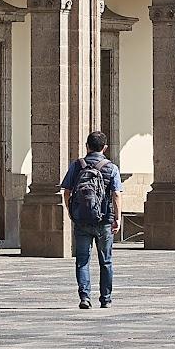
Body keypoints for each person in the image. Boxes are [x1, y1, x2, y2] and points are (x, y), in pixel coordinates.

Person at [59, 130, 121, 309]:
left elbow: (67, 191)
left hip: (82, 220)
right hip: (104, 220)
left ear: (87, 146)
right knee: (106, 261)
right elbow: (116, 194)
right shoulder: (111, 168)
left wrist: (71, 211)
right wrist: (117, 218)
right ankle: (106, 299)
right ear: (105, 148)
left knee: (82, 260)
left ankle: (85, 297)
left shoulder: (77, 165)